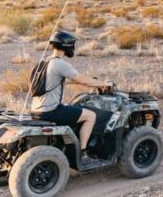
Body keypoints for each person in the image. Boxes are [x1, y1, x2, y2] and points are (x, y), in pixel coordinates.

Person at [30, 31, 111, 163]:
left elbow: (54, 81)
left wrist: (85, 82)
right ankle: (84, 153)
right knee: (91, 116)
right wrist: (102, 83)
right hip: (51, 111)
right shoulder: (59, 64)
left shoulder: (44, 62)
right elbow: (82, 79)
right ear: (66, 46)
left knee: (73, 109)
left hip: (36, 110)